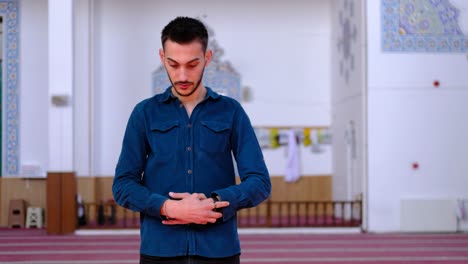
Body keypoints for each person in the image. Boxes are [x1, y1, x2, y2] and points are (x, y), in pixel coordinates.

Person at [112, 16, 271, 264]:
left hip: (219, 250)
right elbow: (123, 185)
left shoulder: (231, 111)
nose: (183, 75)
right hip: (160, 250)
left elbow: (260, 182)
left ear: (207, 58)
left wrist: (215, 203)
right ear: (162, 57)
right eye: (173, 64)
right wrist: (168, 207)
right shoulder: (144, 113)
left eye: (192, 64)